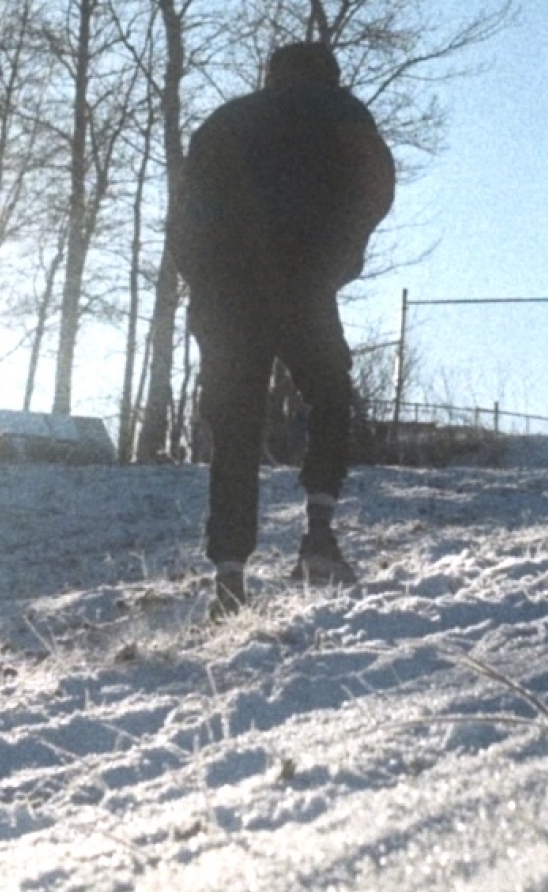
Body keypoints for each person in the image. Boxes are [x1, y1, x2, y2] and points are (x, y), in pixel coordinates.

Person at [168, 40, 395, 617]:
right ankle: (318, 534)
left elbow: (185, 215)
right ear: (325, 73)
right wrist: (340, 258)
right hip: (301, 283)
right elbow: (375, 186)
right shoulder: (339, 109)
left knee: (236, 427)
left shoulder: (222, 121)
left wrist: (202, 281)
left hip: (226, 293)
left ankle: (229, 577)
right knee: (329, 394)